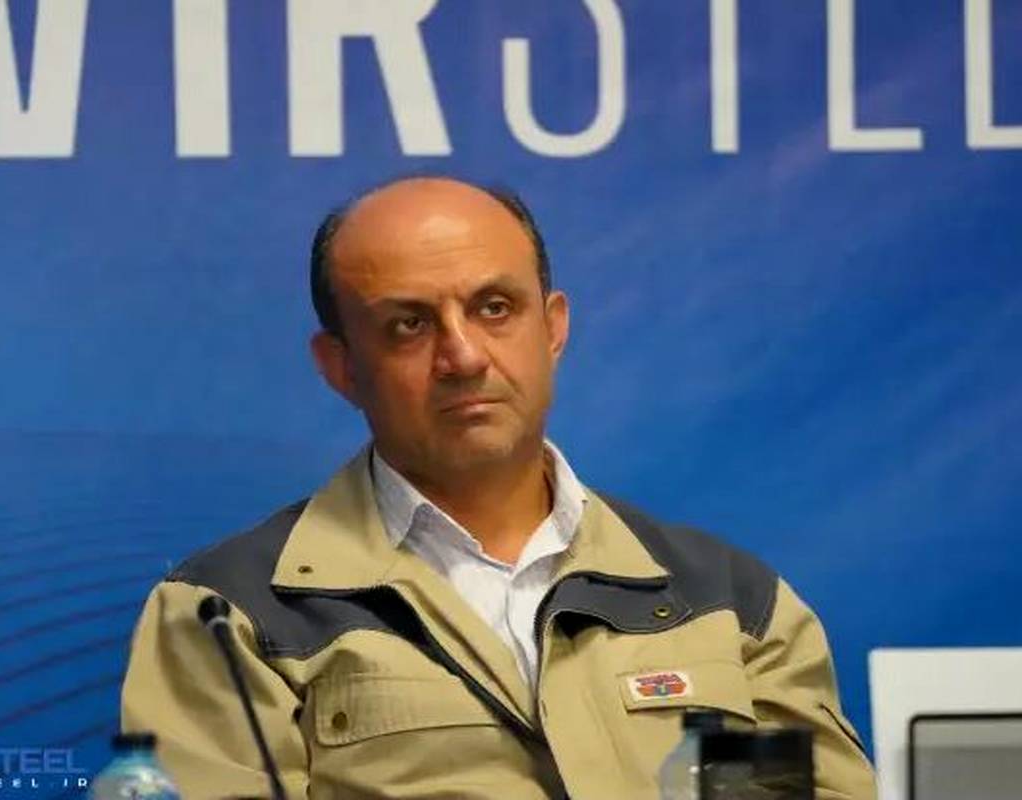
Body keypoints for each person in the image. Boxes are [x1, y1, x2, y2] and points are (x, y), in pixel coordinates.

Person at [120, 176, 876, 799]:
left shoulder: (730, 603)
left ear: (553, 328)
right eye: (409, 325)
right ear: (341, 367)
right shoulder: (227, 616)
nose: (463, 357)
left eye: (493, 308)